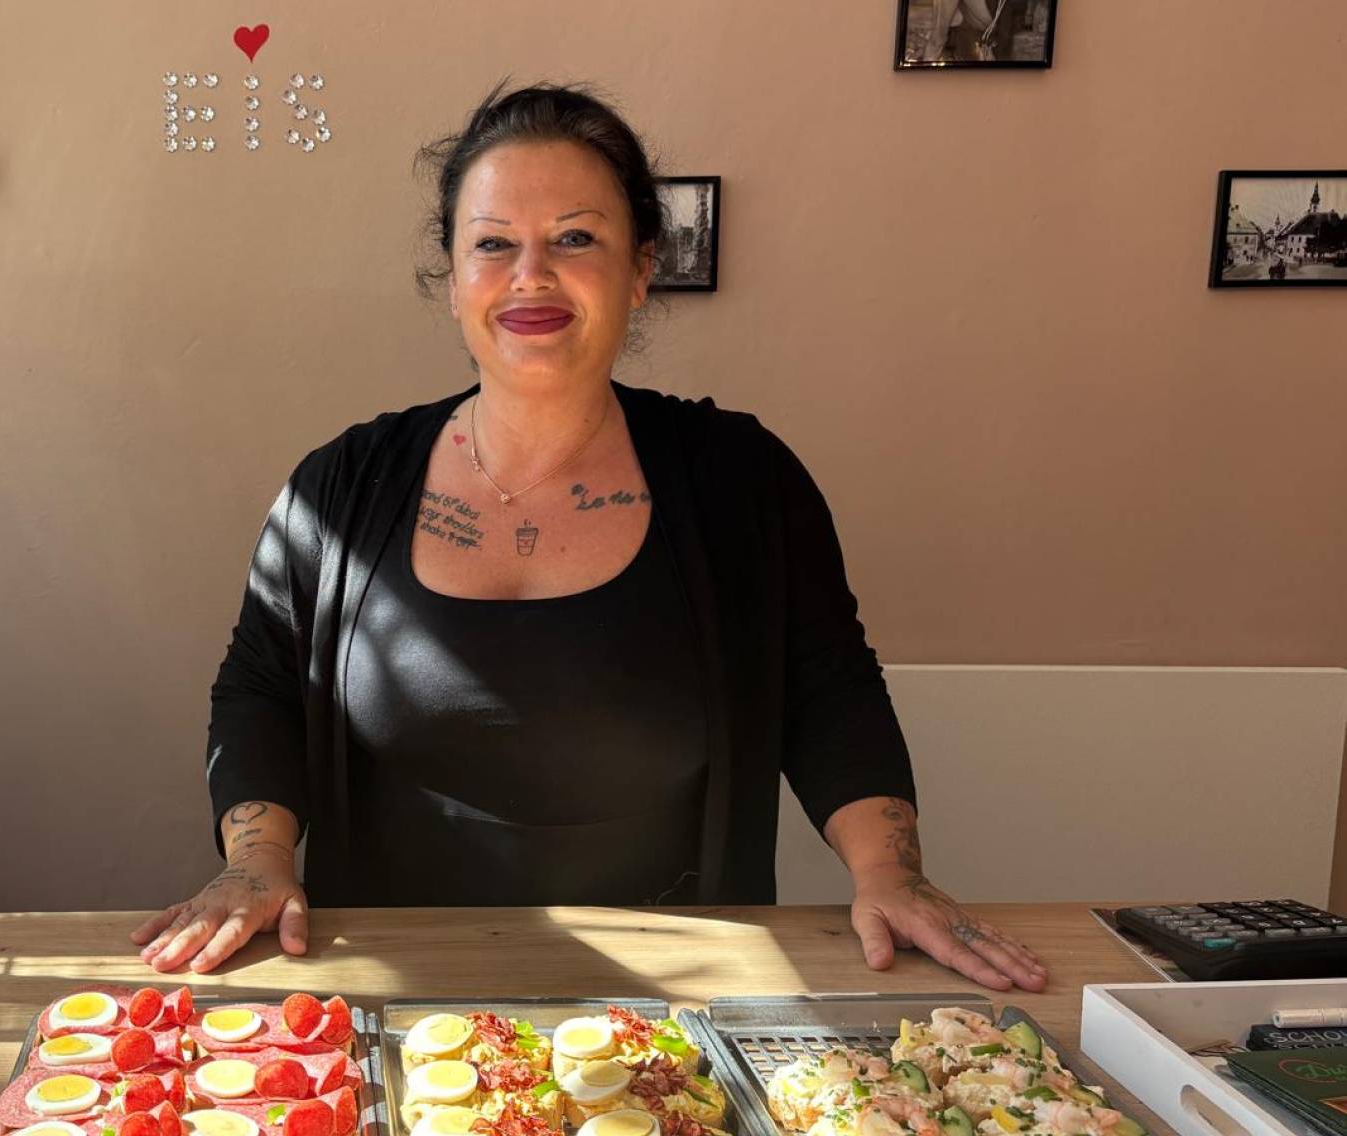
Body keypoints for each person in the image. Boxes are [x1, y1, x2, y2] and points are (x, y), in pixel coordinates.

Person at [130, 82, 1048, 994]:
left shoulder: (743, 479)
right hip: (391, 986)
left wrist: (889, 872)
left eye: (576, 238)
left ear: (642, 269)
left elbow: (830, 691)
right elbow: (259, 688)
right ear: (452, 282)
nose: (531, 275)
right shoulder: (340, 486)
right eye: (493, 244)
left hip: (674, 1000)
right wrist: (257, 861)